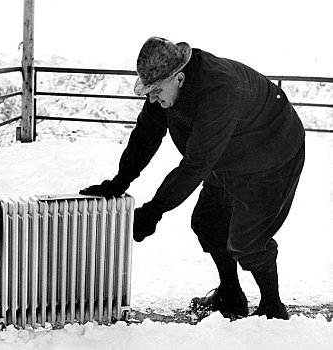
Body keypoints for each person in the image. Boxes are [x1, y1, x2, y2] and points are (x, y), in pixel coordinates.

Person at [80, 37, 305, 320]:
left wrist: (153, 211)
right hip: (226, 156)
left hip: (272, 153)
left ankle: (273, 306)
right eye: (147, 93)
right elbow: (146, 135)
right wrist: (119, 182)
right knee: (208, 223)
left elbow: (194, 166)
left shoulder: (219, 91)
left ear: (180, 78)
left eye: (156, 91)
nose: (152, 99)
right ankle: (231, 294)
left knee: (248, 241)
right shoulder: (164, 89)